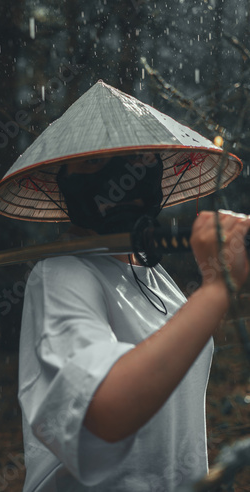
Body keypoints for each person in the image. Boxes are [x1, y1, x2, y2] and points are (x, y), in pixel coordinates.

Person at [17, 151, 250, 491]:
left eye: (139, 160)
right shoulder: (61, 273)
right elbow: (106, 411)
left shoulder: (157, 276)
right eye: (93, 163)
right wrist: (216, 290)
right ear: (63, 181)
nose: (120, 177)